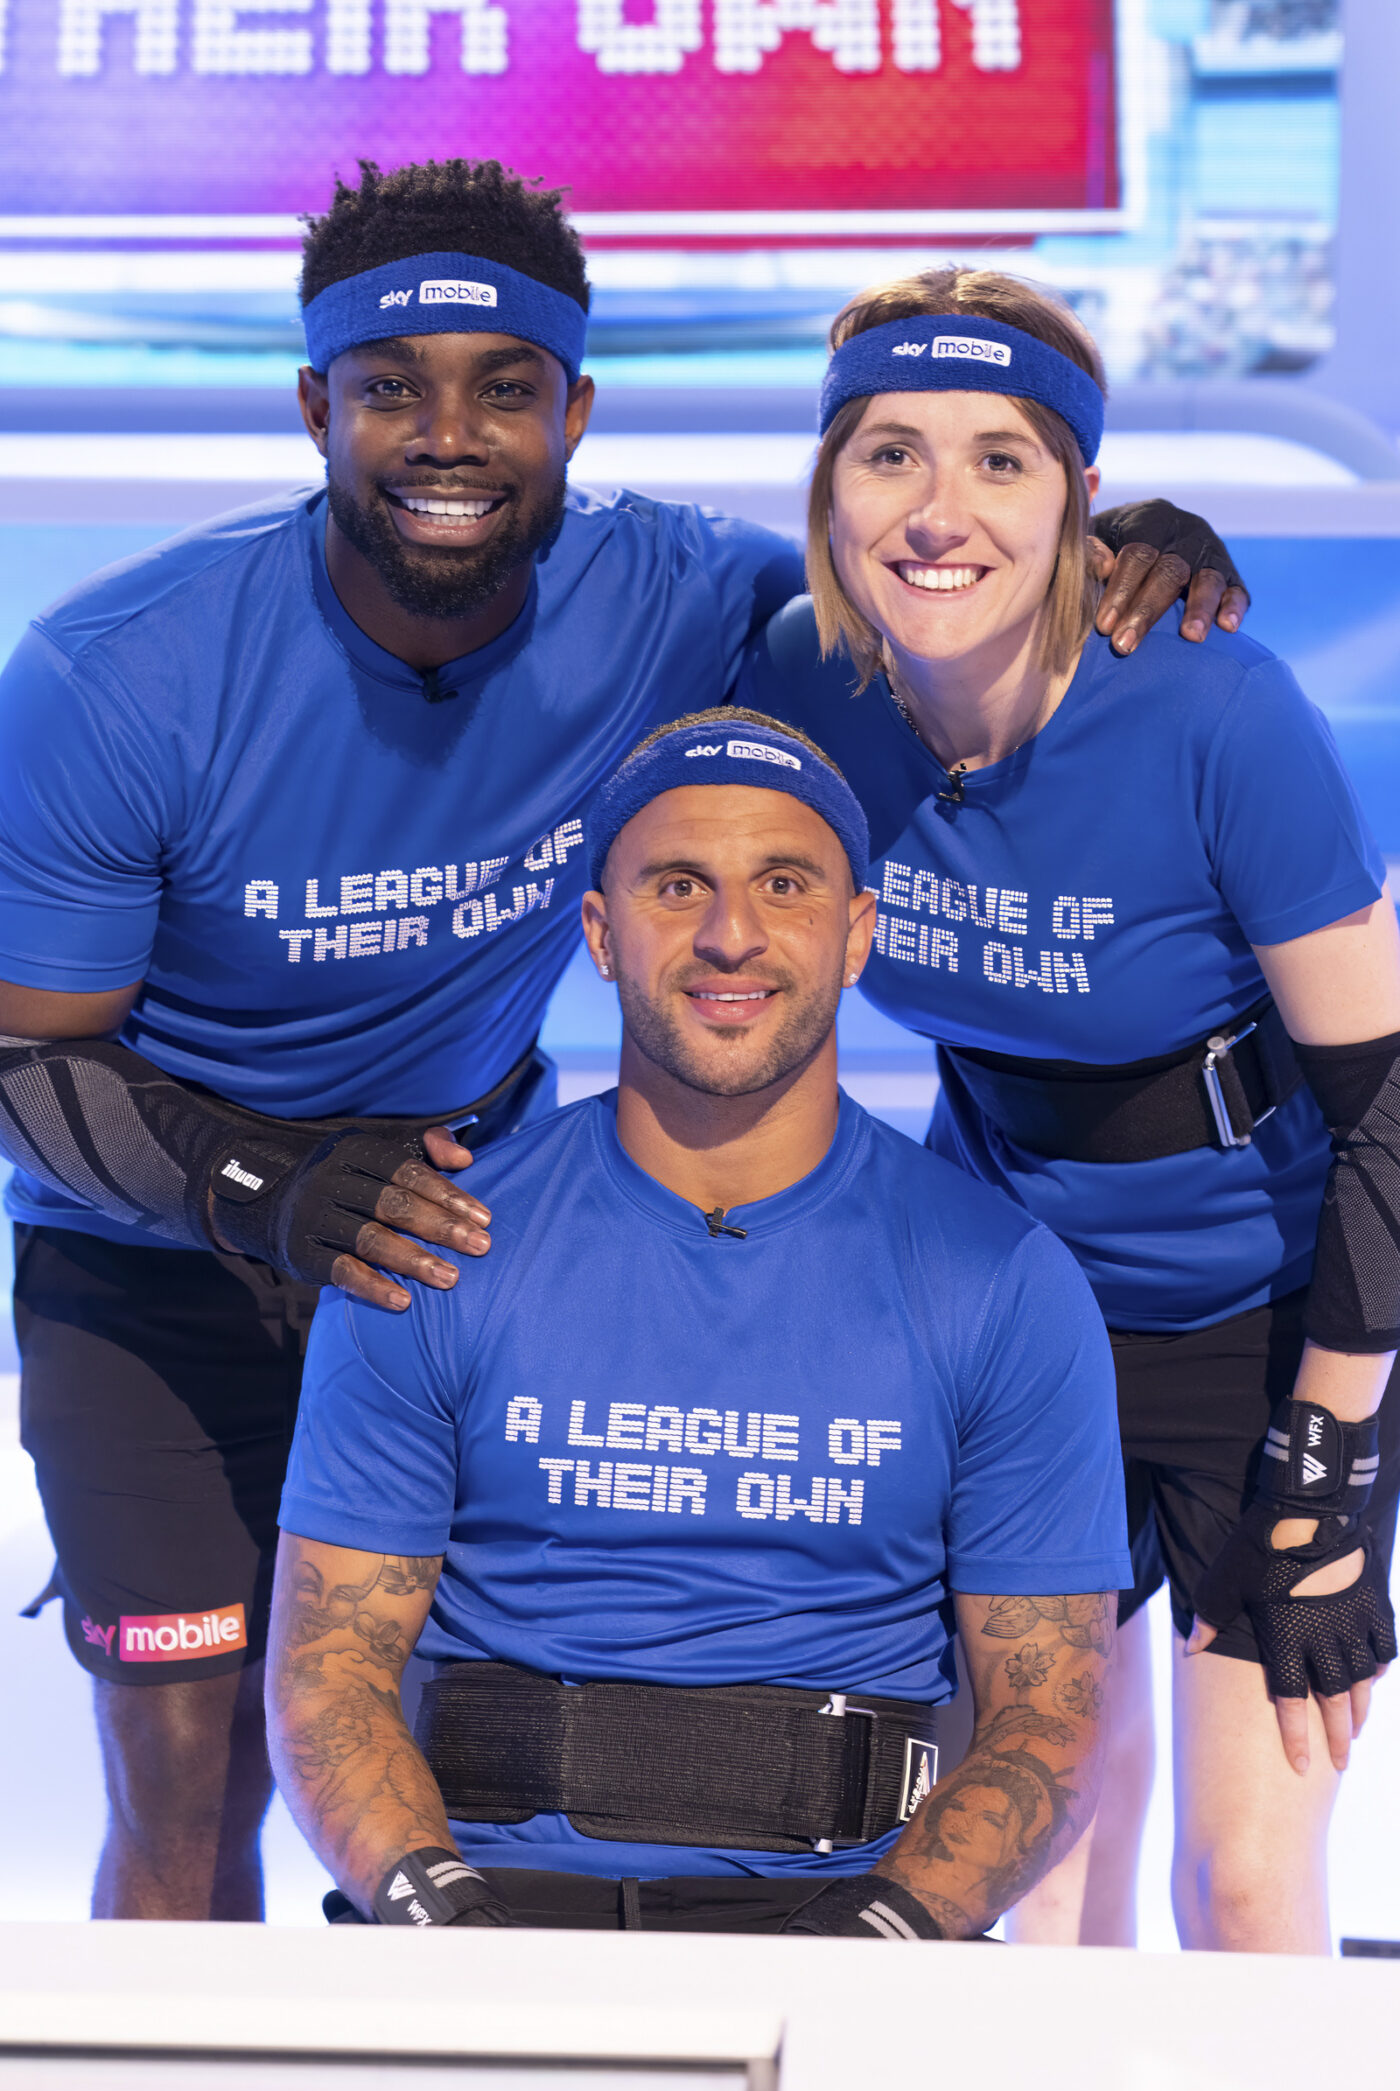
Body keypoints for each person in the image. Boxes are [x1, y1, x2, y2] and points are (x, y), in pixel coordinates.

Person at [0, 146, 1244, 1922]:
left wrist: (1117, 553)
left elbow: (928, 578)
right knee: (193, 1779)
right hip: (159, 1259)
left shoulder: (673, 594)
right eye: (391, 390)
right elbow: (26, 1059)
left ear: (574, 412)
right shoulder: (115, 674)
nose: (450, 438)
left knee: (465, 1741)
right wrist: (262, 1181)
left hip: (449, 1238)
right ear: (315, 407)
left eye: (505, 390)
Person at [738, 266, 1400, 1954]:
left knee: (1240, 1881)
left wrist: (1332, 1457)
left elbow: (1390, 1111)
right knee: (1027, 1860)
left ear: (1082, 497)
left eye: (1002, 460)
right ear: (830, 483)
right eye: (891, 452)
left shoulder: (1213, 705)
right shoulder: (801, 683)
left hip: (1267, 1324)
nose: (938, 510)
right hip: (1014, 1322)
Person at [266, 713, 1132, 1936]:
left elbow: (1048, 1724)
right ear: (598, 934)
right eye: (678, 886)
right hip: (484, 1916)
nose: (731, 934)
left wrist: (872, 1946)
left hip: (851, 1926)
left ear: (857, 934)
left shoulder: (1001, 1280)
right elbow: (327, 1676)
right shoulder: (431, 1249)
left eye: (784, 885)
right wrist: (446, 1932)